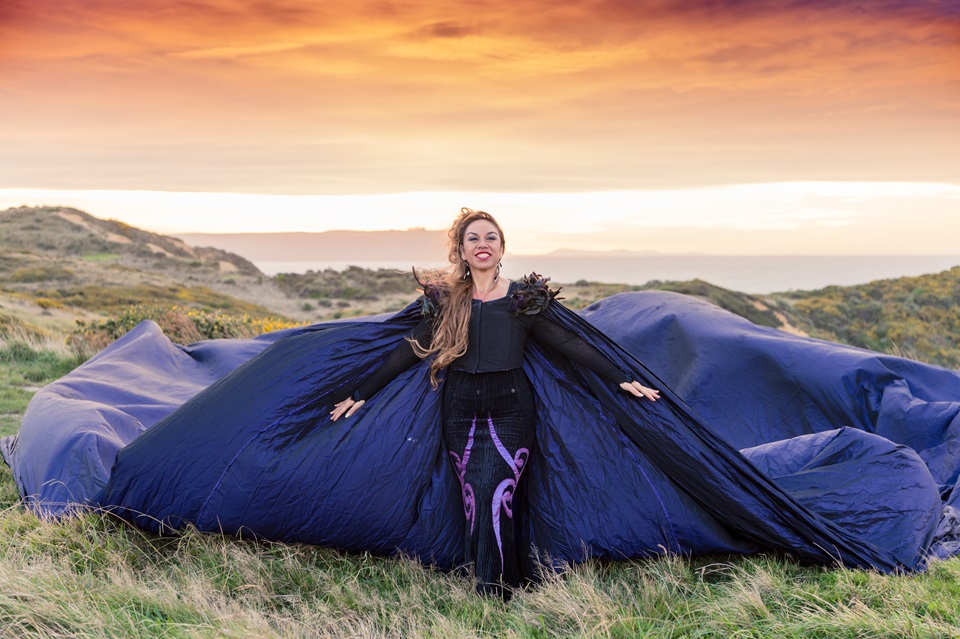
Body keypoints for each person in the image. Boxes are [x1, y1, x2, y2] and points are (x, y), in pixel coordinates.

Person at [330, 208, 660, 597]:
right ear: (461, 251)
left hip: (511, 408)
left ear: (502, 248)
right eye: (473, 239)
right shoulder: (448, 300)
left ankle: (495, 591)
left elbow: (570, 344)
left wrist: (621, 377)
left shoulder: (523, 299)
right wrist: (361, 392)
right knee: (474, 498)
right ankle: (501, 582)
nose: (482, 244)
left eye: (490, 237)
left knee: (495, 491)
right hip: (459, 409)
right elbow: (410, 350)